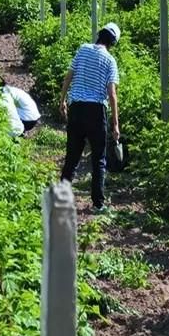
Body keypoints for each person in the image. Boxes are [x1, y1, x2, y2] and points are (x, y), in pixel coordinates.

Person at [58, 22, 121, 212]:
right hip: (96, 112)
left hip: (76, 108)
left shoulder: (83, 49)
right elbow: (111, 94)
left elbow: (69, 76)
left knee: (72, 156)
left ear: (99, 35)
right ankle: (98, 203)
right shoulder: (110, 61)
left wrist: (62, 100)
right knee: (98, 159)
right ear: (113, 43)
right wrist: (115, 124)